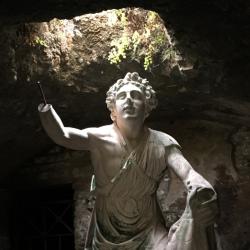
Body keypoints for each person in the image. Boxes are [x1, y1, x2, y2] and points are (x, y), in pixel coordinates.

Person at [38, 72, 218, 250]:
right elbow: (63, 135)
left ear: (147, 108)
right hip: (108, 229)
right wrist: (46, 112)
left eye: (136, 96)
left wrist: (198, 185)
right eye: (122, 96)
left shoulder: (163, 143)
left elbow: (188, 173)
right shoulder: (100, 138)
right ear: (113, 111)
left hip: (149, 227)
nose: (129, 100)